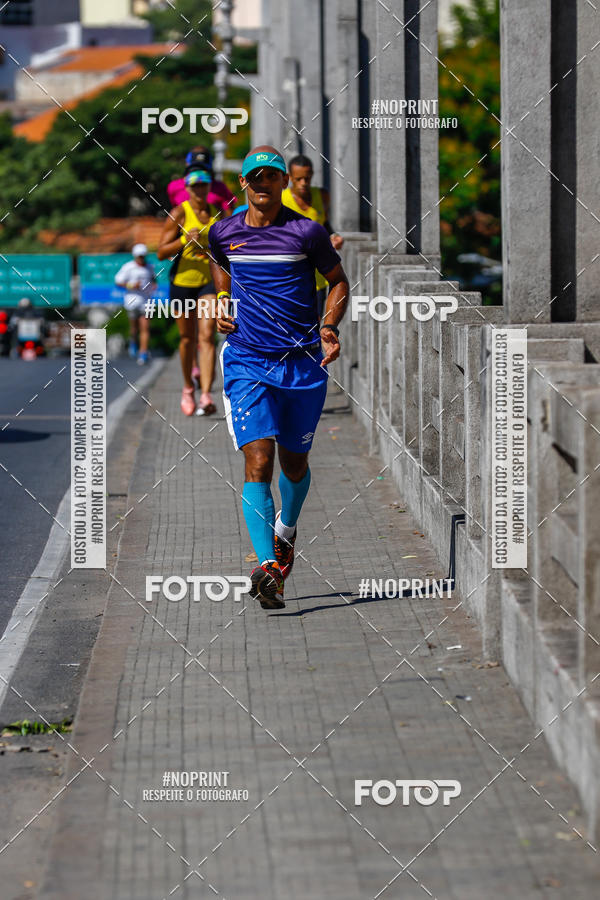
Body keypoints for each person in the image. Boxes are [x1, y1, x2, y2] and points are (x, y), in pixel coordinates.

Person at [209, 145, 349, 610]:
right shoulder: (225, 231)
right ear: (243, 184)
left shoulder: (306, 232)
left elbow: (338, 281)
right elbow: (218, 260)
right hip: (247, 360)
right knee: (258, 459)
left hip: (302, 363)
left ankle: (285, 529)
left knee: (294, 463)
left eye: (271, 176)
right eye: (255, 178)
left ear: (283, 182)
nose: (263, 184)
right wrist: (222, 300)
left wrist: (329, 327)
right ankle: (268, 567)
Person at [158, 169, 220, 416]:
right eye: (195, 186)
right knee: (187, 339)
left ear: (209, 187)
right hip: (183, 283)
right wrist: (184, 240)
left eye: (204, 185)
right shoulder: (179, 213)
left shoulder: (217, 213)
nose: (200, 190)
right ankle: (187, 387)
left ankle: (206, 394)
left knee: (207, 335)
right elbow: (161, 252)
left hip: (208, 282)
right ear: (187, 189)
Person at [282, 154, 345, 314]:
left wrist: (333, 236)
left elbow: (324, 224)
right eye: (298, 179)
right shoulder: (281, 199)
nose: (303, 183)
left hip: (318, 275)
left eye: (307, 178)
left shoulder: (322, 196)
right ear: (289, 178)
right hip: (290, 275)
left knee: (314, 323)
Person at [114, 244, 156, 365]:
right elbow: (118, 281)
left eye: (143, 256)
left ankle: (143, 352)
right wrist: (131, 285)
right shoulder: (128, 267)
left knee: (145, 327)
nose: (141, 258)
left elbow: (153, 278)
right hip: (132, 301)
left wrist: (154, 284)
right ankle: (133, 341)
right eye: (139, 256)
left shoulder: (150, 267)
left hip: (146, 301)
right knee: (134, 328)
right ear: (135, 256)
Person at [167, 146, 237, 217]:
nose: (199, 174)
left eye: (203, 169)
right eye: (194, 169)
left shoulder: (220, 187)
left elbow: (230, 216)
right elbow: (174, 212)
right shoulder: (174, 186)